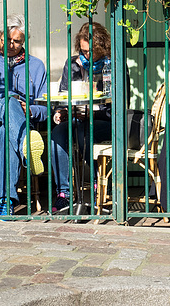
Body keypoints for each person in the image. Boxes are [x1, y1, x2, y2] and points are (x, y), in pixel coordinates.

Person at [0, 14, 47, 216]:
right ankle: (27, 146)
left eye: (17, 41)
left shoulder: (36, 66)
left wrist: (30, 110)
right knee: (7, 100)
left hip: (18, 124)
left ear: (25, 41)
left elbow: (46, 108)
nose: (11, 45)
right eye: (7, 40)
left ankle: (6, 203)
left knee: (7, 133)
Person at [49, 22, 112, 213]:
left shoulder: (112, 64)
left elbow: (117, 103)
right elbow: (63, 95)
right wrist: (60, 112)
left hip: (105, 120)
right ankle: (64, 194)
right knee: (57, 135)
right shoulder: (72, 63)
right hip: (77, 119)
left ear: (102, 47)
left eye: (92, 51)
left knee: (85, 132)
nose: (87, 55)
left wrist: (90, 112)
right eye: (84, 51)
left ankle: (96, 187)